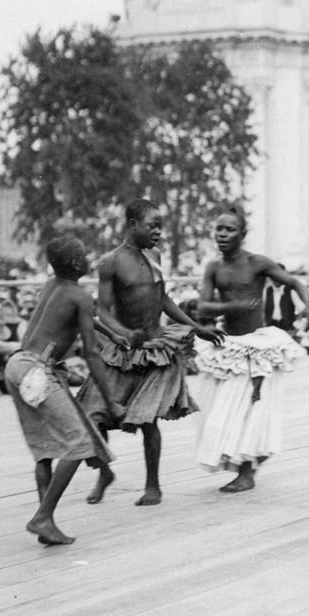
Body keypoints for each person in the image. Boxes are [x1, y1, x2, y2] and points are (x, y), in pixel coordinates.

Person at [77, 198, 223, 507]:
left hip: (154, 349)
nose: (158, 232)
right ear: (132, 225)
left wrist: (197, 326)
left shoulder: (154, 256)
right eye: (152, 226)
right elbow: (103, 311)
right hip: (121, 350)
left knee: (148, 421)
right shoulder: (110, 262)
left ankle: (153, 485)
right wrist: (125, 334)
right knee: (92, 416)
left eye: (160, 226)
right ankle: (104, 473)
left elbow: (164, 299)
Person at [5, 235, 120, 546]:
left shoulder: (53, 286)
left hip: (17, 365)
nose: (89, 259)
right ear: (74, 264)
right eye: (84, 255)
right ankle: (43, 517)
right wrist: (111, 401)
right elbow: (92, 354)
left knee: (44, 449)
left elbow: (87, 319)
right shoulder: (80, 295)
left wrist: (113, 333)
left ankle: (47, 523)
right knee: (77, 443)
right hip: (38, 372)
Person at [194, 204, 309, 492]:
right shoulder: (213, 268)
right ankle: (245, 463)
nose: (222, 234)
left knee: (250, 407)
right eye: (219, 229)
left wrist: (307, 306)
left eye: (230, 229)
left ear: (242, 234)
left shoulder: (257, 263)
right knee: (217, 412)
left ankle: (246, 472)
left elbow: (294, 282)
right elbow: (203, 307)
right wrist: (232, 305)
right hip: (230, 346)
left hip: (256, 345)